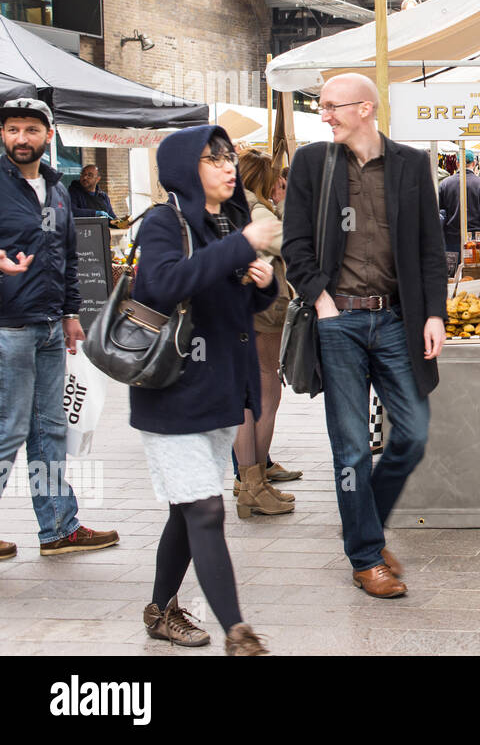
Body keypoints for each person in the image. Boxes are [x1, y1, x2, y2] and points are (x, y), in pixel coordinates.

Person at [282, 72, 447, 599]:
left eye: (333, 106)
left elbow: (429, 247)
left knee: (414, 433)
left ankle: (364, 526)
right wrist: (323, 303)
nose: (324, 114)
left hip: (398, 318)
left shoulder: (410, 164)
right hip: (339, 323)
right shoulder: (312, 163)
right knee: (351, 448)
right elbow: (296, 244)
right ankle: (366, 558)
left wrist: (434, 313)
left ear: (366, 109)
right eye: (322, 107)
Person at [129, 125, 280, 654]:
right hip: (173, 391)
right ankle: (237, 632)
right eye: (211, 158)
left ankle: (159, 609)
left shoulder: (226, 223)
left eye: (228, 157)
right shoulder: (162, 223)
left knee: (185, 507)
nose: (226, 165)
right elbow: (164, 285)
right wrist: (241, 245)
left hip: (218, 391)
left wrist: (265, 285)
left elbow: (239, 308)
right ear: (181, 170)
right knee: (206, 508)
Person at [0, 98, 119, 563]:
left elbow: (67, 256)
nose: (21, 138)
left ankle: (58, 529)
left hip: (50, 327)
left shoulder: (56, 188)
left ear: (48, 136)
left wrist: (71, 312)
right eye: (12, 129)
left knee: (49, 431)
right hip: (9, 327)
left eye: (31, 129)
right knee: (7, 430)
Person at [229, 149, 300, 511]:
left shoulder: (229, 207)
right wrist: (285, 205)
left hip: (239, 311)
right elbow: (292, 244)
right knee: (265, 397)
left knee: (248, 398)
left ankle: (250, 482)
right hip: (262, 312)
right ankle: (254, 483)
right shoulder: (258, 211)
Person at [438, 149, 480, 259]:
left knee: (453, 272)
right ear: (474, 164)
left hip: (451, 238)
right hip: (476, 239)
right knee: (475, 271)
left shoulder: (445, 183)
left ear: (457, 163)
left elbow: (438, 211)